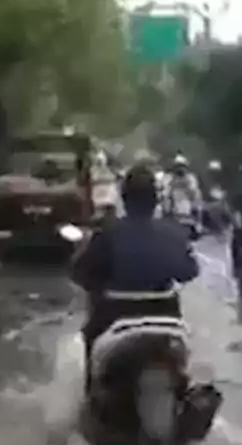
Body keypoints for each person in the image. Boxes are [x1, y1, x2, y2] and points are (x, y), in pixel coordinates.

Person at [71, 164, 201, 392]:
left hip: (114, 322)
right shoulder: (173, 232)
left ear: (124, 197)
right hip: (167, 323)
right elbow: (189, 272)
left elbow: (80, 273)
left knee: (91, 348)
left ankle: (90, 398)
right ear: (155, 199)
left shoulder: (108, 233)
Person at [162, 154, 202, 218]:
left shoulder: (191, 178)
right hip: (175, 212)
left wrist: (186, 184)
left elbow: (194, 193)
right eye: (178, 166)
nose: (180, 168)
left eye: (182, 166)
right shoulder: (170, 178)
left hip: (189, 210)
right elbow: (166, 195)